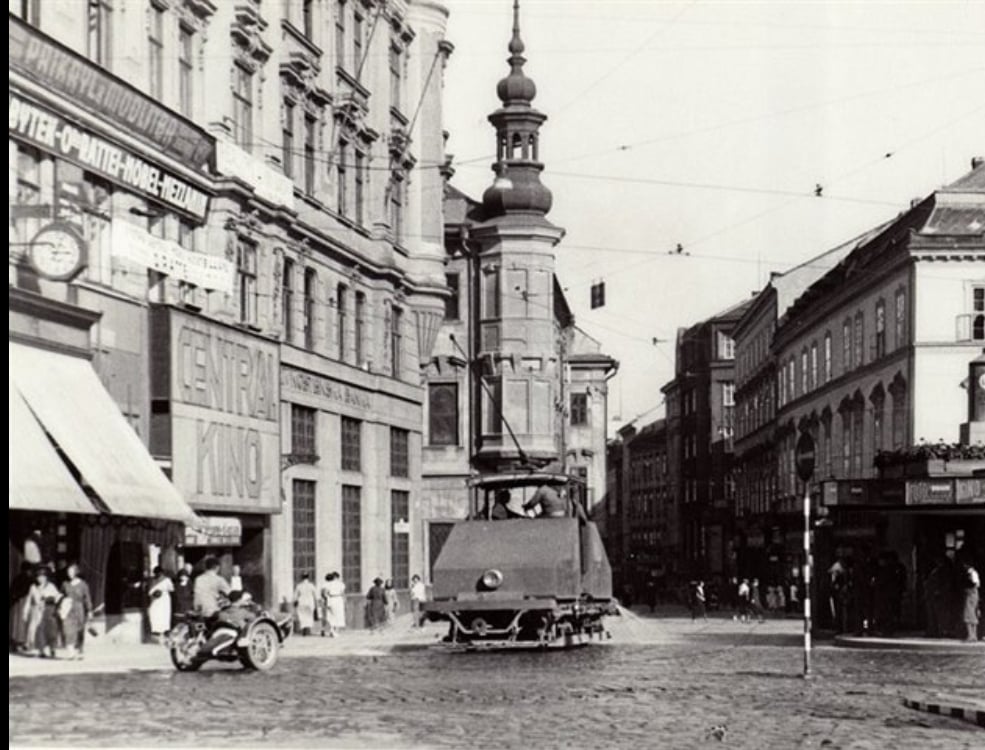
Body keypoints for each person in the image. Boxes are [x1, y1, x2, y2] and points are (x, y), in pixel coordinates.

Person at [198, 590, 261, 657]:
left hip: (217, 632)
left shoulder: (222, 611)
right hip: (233, 634)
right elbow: (254, 619)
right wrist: (255, 608)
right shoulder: (243, 612)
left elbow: (212, 618)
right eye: (243, 599)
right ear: (239, 600)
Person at [24, 566, 60, 658]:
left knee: (50, 630)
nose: (40, 579)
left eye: (43, 576)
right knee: (37, 631)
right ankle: (41, 650)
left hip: (48, 610)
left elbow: (57, 597)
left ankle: (52, 649)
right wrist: (25, 612)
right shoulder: (33, 587)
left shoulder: (51, 586)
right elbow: (29, 600)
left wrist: (49, 599)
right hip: (37, 612)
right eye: (38, 577)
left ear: (46, 577)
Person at [59, 564, 92, 660]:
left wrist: (89, 610)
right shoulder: (65, 584)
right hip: (67, 608)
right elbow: (61, 595)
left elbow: (87, 598)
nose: (69, 574)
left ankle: (80, 650)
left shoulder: (83, 585)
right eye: (68, 572)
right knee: (68, 629)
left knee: (79, 630)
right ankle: (71, 652)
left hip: (79, 608)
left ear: (76, 572)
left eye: (71, 571)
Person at [10, 562, 34, 652]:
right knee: (23, 623)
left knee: (17, 623)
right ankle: (22, 642)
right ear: (28, 570)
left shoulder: (17, 578)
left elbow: (12, 591)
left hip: (17, 603)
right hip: (24, 602)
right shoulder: (29, 579)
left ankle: (16, 642)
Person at [147, 566, 174, 638]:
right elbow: (149, 591)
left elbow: (171, 589)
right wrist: (154, 593)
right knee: (154, 613)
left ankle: (165, 629)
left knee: (164, 614)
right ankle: (156, 629)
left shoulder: (167, 580)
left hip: (164, 599)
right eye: (157, 573)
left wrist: (162, 591)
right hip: (155, 599)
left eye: (160, 573)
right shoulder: (152, 580)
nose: (159, 574)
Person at [958, 558, 980, 642]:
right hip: (973, 593)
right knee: (972, 613)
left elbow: (974, 584)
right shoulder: (973, 573)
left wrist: (967, 589)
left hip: (971, 593)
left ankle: (971, 635)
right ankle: (974, 635)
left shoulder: (971, 574)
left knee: (968, 614)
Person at [319, 572, 346, 636]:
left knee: (331, 615)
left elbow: (324, 593)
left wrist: (327, 598)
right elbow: (343, 593)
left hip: (330, 599)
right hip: (338, 599)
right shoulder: (341, 584)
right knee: (338, 615)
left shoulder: (328, 584)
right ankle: (335, 631)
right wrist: (344, 600)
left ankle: (331, 630)